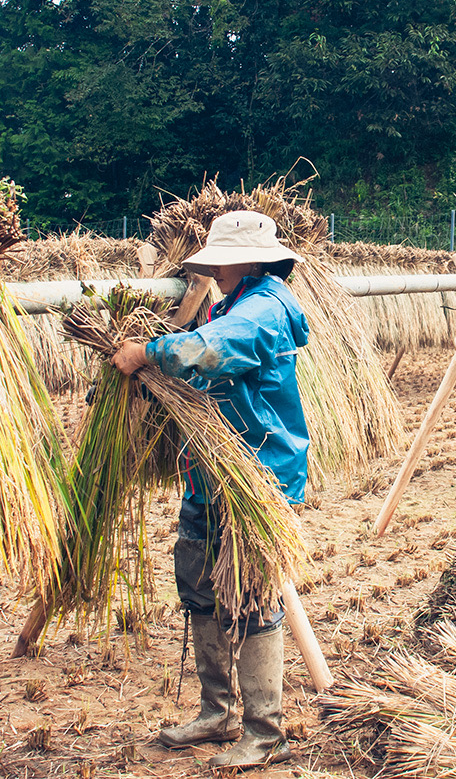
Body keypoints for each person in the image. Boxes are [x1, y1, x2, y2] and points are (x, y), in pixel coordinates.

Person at [111, 209, 308, 770]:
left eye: (224, 260)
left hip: (255, 475)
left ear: (253, 260)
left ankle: (265, 733)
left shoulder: (264, 309)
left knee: (251, 598)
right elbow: (206, 372)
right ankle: (216, 713)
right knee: (199, 585)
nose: (214, 270)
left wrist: (147, 352)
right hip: (207, 473)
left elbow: (209, 350)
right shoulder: (230, 302)